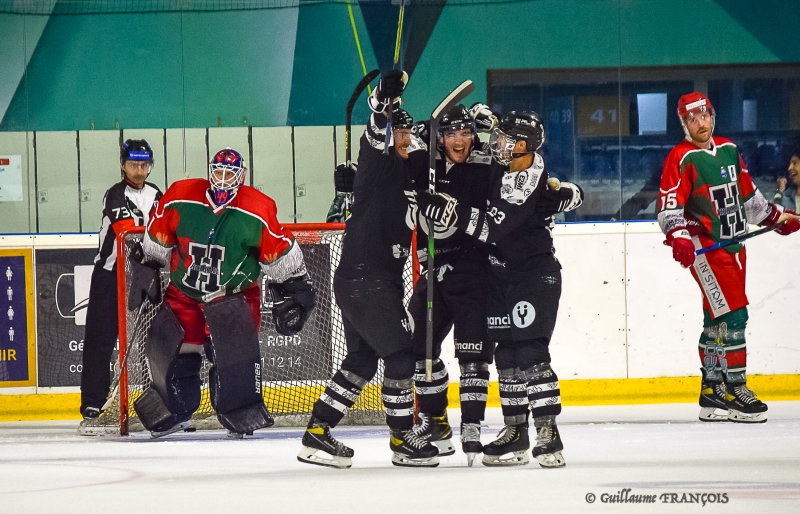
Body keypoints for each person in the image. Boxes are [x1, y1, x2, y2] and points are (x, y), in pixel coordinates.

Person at [418, 111, 583, 468]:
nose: (497, 142)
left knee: (529, 353)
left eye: (506, 138)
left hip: (531, 277)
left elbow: (491, 229)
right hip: (499, 277)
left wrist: (452, 211)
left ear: (522, 145)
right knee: (507, 355)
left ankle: (548, 433)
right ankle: (515, 432)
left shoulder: (525, 179)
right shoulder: (505, 166)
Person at [297, 71, 440, 469]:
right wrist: (380, 103)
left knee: (361, 362)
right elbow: (374, 136)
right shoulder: (381, 165)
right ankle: (401, 438)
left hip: (373, 282)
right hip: (367, 281)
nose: (404, 139)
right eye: (399, 133)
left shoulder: (408, 173)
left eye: (407, 133)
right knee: (400, 355)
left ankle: (317, 432)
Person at [134, 148, 315, 438]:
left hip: (234, 296)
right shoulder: (180, 195)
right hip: (184, 292)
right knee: (175, 353)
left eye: (230, 173)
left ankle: (239, 411)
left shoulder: (257, 209)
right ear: (210, 171)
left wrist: (295, 287)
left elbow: (278, 251)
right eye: (218, 171)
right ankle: (175, 410)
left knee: (232, 358)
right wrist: (148, 264)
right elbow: (158, 232)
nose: (223, 178)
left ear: (241, 176)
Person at [657, 92, 799, 424]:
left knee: (717, 319)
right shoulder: (681, 158)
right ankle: (735, 390)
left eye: (704, 116)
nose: (700, 124)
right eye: (692, 119)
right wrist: (679, 238)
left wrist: (776, 219)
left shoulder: (729, 150)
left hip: (735, 246)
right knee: (735, 316)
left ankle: (712, 390)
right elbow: (668, 209)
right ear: (684, 123)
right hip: (706, 250)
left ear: (713, 115)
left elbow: (749, 198)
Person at [404, 103, 497, 466]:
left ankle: (472, 425)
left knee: (473, 356)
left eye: (465, 133)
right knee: (416, 348)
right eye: (451, 133)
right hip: (434, 270)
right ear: (439, 137)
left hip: (474, 271)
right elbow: (394, 159)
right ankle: (437, 422)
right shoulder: (425, 163)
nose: (459, 140)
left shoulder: (485, 165)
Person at [79, 139, 162, 435]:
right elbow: (126, 232)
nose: (138, 170)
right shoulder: (114, 194)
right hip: (110, 275)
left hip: (146, 273)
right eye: (133, 164)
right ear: (122, 165)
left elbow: (166, 231)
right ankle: (93, 402)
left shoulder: (157, 195)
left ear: (149, 165)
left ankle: (161, 399)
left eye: (143, 165)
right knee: (100, 340)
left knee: (157, 339)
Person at [773, 145, 800, 211]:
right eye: (790, 163)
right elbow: (777, 217)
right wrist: (779, 192)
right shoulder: (786, 198)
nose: (789, 168)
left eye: (795, 163)